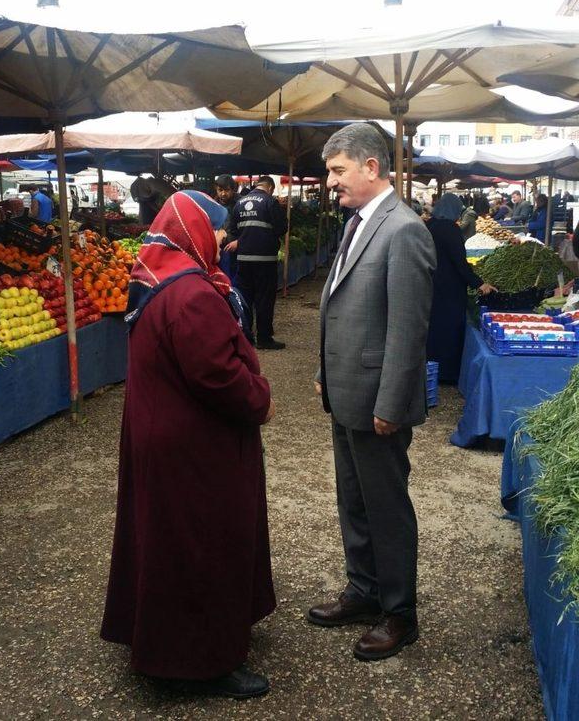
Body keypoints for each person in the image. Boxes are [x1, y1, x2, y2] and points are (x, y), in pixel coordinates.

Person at [101, 190, 276, 700]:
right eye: (219, 228)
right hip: (192, 445)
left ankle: (161, 636)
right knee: (200, 543)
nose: (225, 237)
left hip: (163, 430)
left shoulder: (157, 273)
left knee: (165, 539)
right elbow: (218, 376)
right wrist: (260, 399)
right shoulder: (192, 294)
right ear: (195, 230)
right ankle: (196, 661)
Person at [309, 123, 436, 661]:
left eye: (339, 171)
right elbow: (342, 304)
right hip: (347, 390)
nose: (332, 183)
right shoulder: (358, 222)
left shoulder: (403, 229)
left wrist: (390, 403)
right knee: (353, 500)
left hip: (377, 400)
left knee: (385, 505)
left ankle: (399, 612)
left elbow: (408, 329)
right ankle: (364, 590)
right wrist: (325, 370)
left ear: (371, 168)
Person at [426, 194, 496, 383]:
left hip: (431, 284)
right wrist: (479, 283)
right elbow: (460, 264)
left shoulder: (429, 226)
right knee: (449, 330)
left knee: (434, 329)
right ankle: (447, 373)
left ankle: (432, 369)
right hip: (449, 288)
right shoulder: (450, 229)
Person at [229, 175, 288, 350]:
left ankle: (246, 337)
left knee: (245, 298)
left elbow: (233, 231)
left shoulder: (239, 203)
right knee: (264, 299)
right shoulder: (270, 201)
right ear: (269, 187)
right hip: (265, 260)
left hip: (243, 259)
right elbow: (282, 227)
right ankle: (264, 338)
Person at [214, 174, 240, 282]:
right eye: (220, 190)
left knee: (234, 281)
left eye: (227, 190)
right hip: (219, 249)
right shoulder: (213, 204)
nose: (223, 193)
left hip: (236, 250)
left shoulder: (240, 204)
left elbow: (248, 227)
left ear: (233, 190)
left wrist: (239, 242)